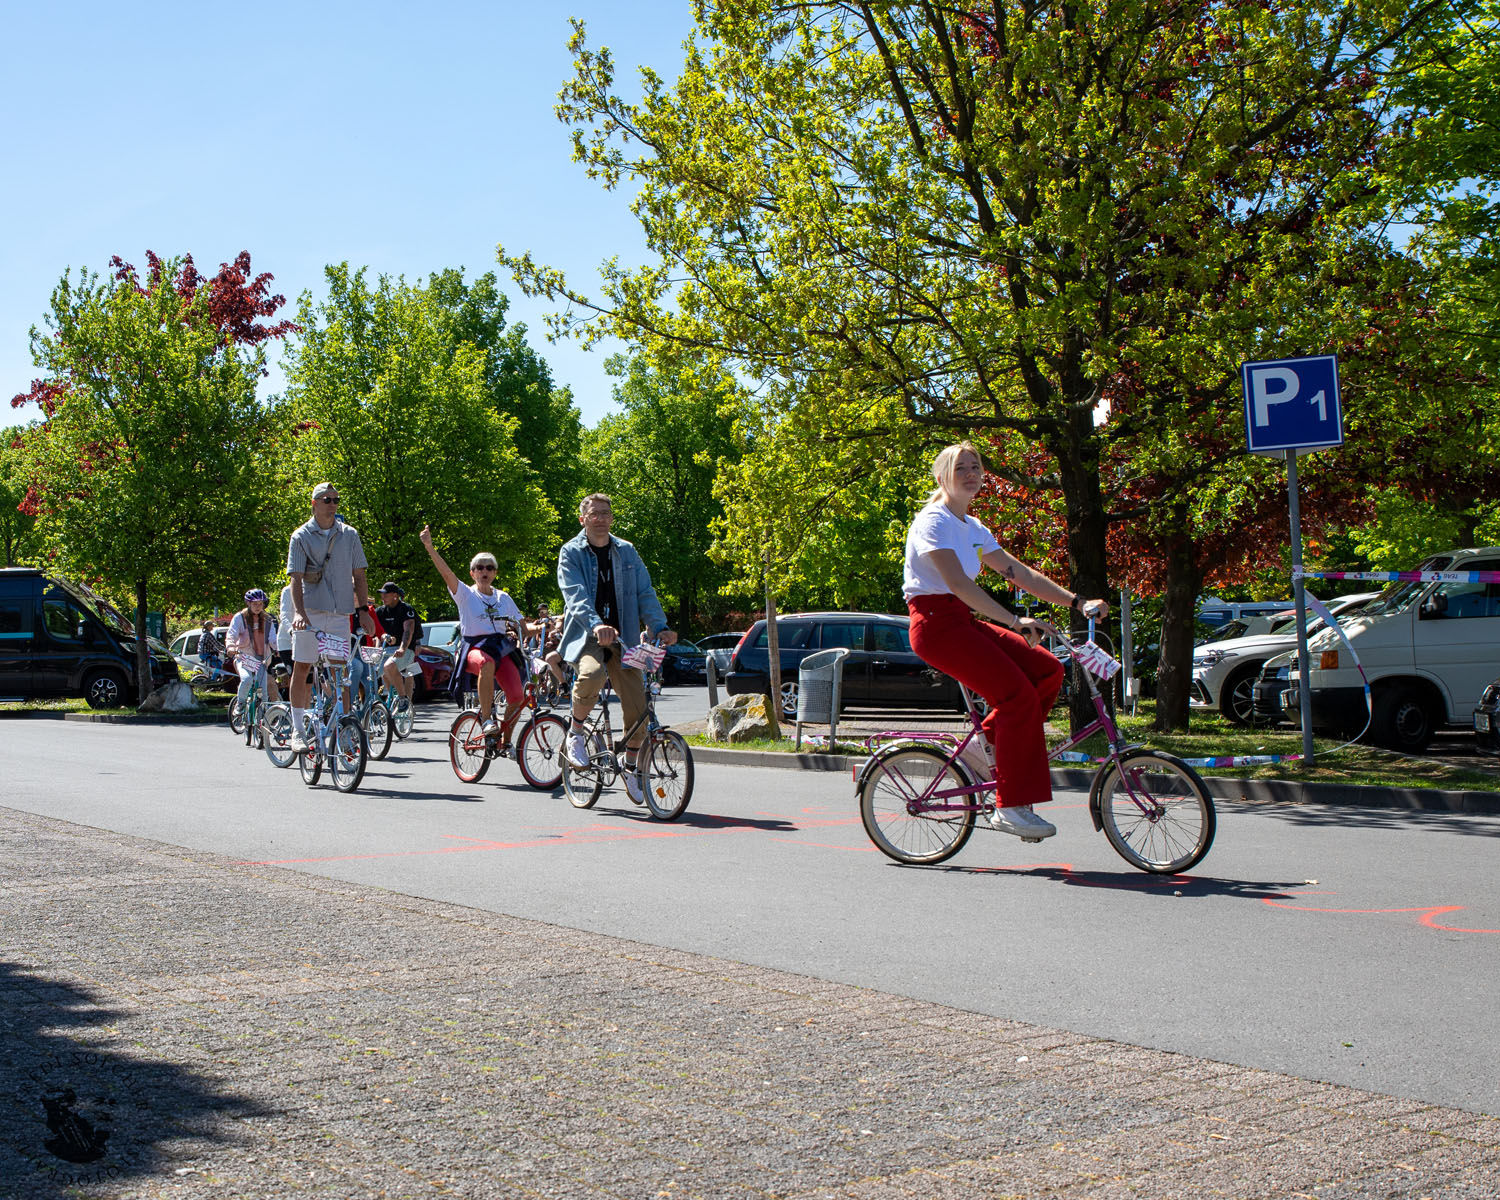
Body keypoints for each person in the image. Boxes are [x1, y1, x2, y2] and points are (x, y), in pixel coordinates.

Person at [903, 442, 1109, 839]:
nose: (970, 473)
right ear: (942, 476)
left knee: (1047, 671)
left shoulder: (974, 527)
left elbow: (1019, 573)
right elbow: (959, 584)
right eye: (960, 467)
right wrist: (1015, 621)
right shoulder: (934, 521)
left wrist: (1077, 601)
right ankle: (1009, 807)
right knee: (1017, 697)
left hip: (961, 621)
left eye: (976, 466)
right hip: (935, 627)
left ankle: (986, 747)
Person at [556, 493, 676, 806]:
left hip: (625, 640)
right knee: (592, 675)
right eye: (594, 513)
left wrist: (660, 627)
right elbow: (576, 595)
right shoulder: (571, 552)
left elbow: (644, 592)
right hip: (588, 636)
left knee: (639, 706)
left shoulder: (627, 551)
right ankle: (576, 732)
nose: (601, 518)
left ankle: (631, 766)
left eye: (606, 513)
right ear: (582, 518)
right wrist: (597, 625)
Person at [286, 482, 376, 751]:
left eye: (336, 500)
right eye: (327, 500)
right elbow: (296, 579)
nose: (333, 504)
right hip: (310, 612)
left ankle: (343, 728)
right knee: (302, 667)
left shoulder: (349, 534)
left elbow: (359, 575)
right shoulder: (300, 536)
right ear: (314, 503)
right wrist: (299, 614)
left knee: (340, 671)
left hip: (339, 612)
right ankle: (298, 730)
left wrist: (362, 612)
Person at [418, 525, 529, 741]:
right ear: (472, 573)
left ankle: (504, 742)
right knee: (486, 663)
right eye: (479, 567)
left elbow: (524, 626)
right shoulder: (466, 594)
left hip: (500, 648)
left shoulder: (504, 598)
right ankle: (487, 719)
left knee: (517, 696)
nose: (484, 571)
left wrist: (543, 628)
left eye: (489, 567)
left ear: (495, 573)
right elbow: (446, 573)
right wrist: (430, 547)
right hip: (474, 649)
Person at [225, 589, 278, 713]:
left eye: (260, 604)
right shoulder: (240, 618)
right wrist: (231, 647)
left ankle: (262, 724)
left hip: (262, 660)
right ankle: (241, 704)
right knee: (247, 679)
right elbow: (231, 634)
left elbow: (273, 639)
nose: (258, 607)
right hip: (244, 657)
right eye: (255, 604)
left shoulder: (268, 619)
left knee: (263, 693)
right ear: (248, 604)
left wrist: (278, 649)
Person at [375, 582, 421, 702]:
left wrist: (403, 648)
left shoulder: (407, 609)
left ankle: (405, 699)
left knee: (408, 674)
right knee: (383, 673)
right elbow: (375, 633)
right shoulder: (380, 612)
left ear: (395, 595)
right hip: (387, 649)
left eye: (386, 595)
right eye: (382, 595)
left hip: (406, 648)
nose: (382, 597)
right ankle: (393, 699)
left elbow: (408, 631)